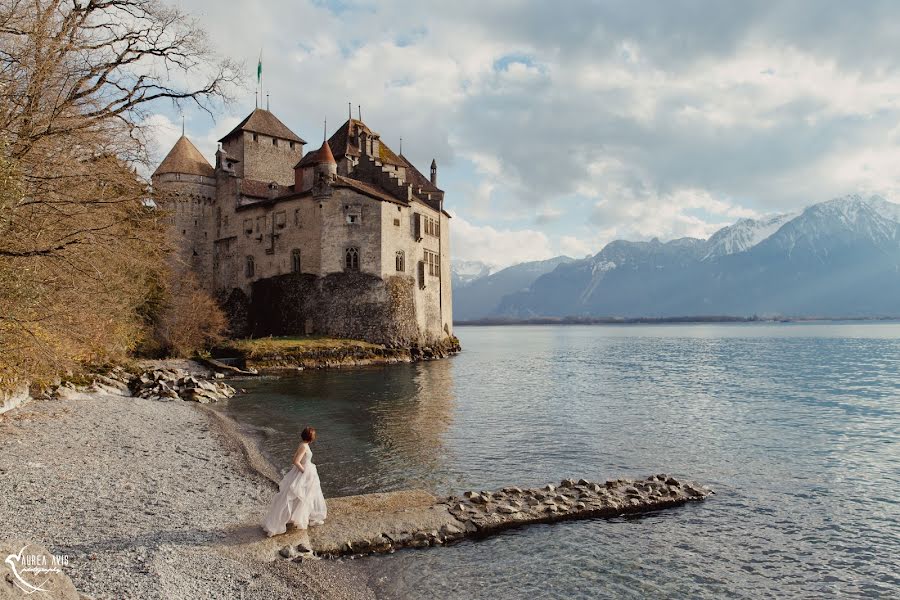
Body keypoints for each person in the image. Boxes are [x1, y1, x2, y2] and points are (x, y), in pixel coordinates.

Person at [262, 426, 327, 537]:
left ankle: (298, 517)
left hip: (304, 471)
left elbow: (295, 457)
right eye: (313, 435)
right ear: (310, 436)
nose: (314, 437)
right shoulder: (304, 446)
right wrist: (305, 472)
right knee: (295, 496)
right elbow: (295, 461)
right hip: (303, 473)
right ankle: (286, 520)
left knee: (302, 496)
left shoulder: (303, 444)